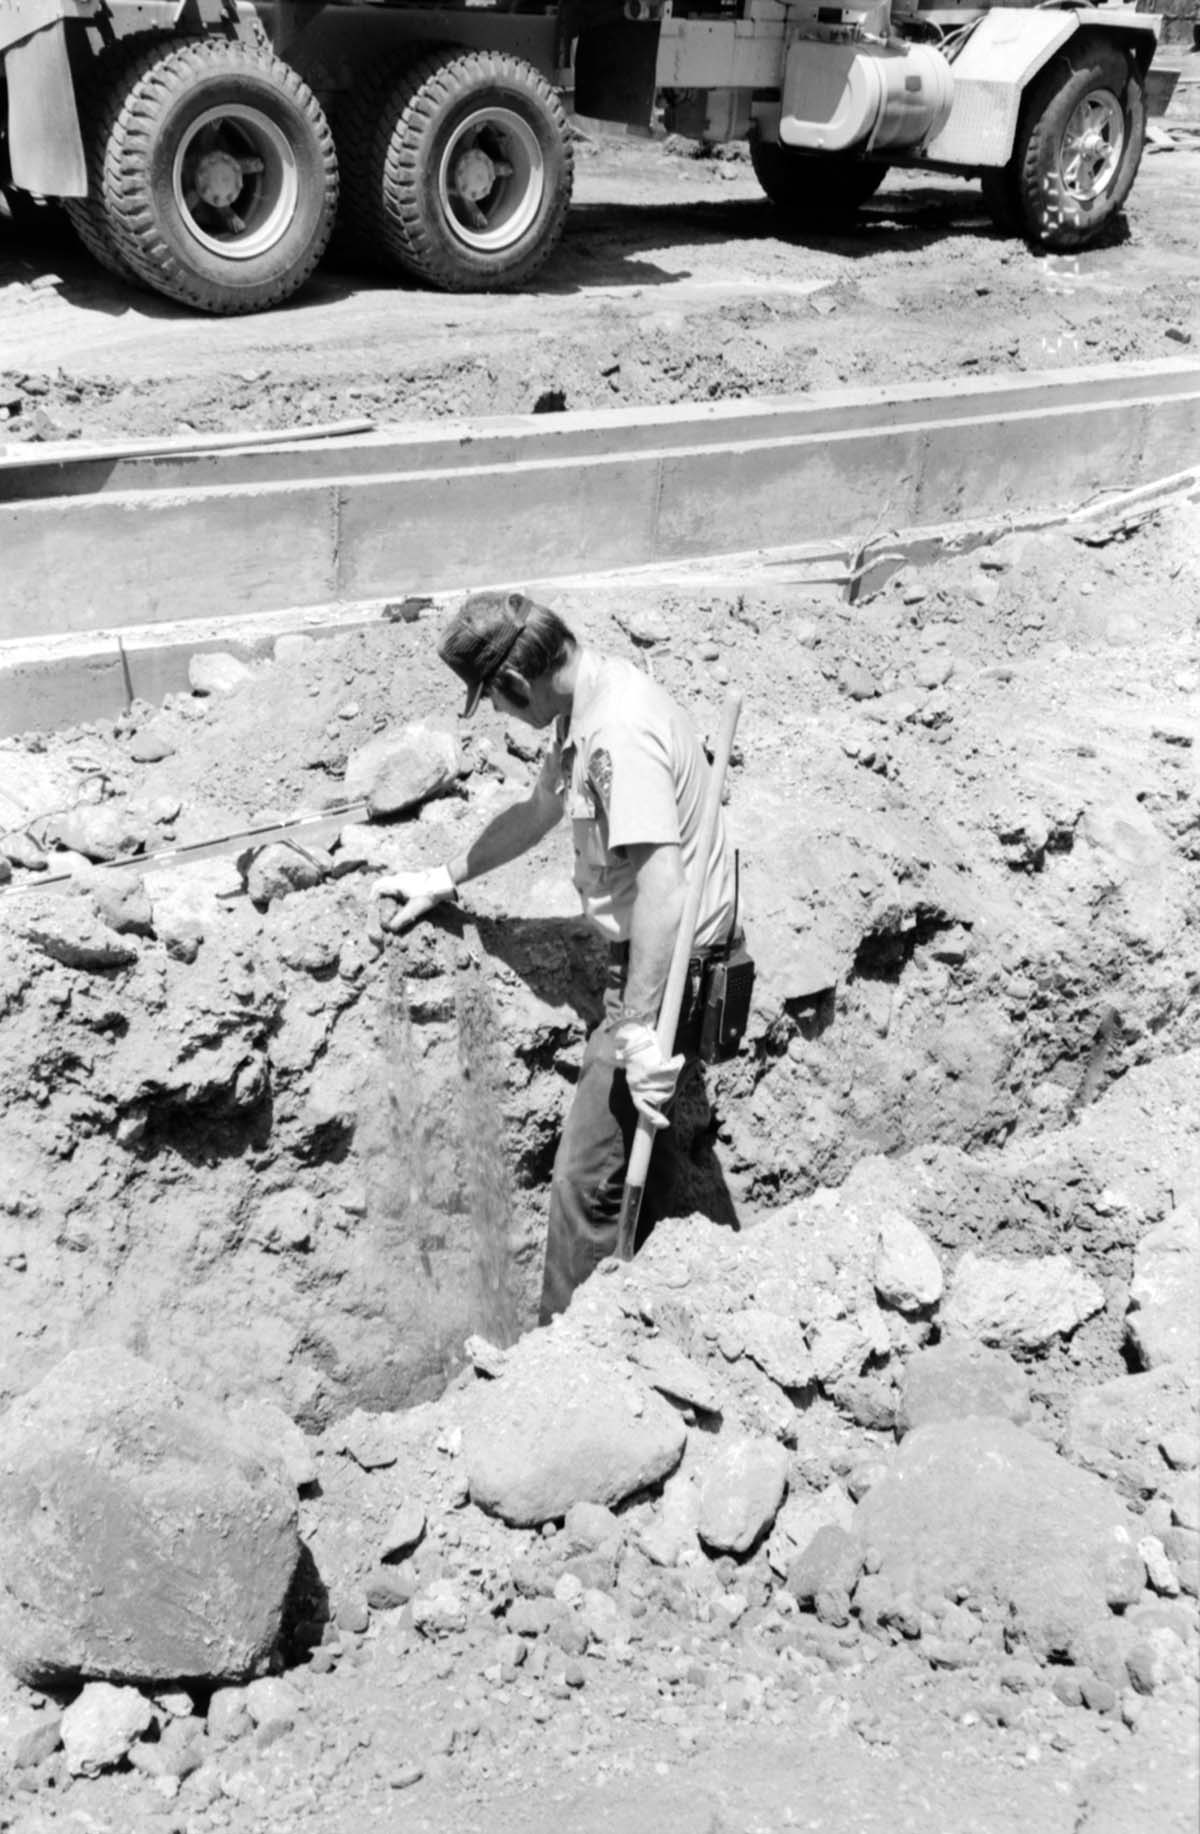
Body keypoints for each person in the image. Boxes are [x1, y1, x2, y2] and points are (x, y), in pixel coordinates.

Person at [373, 589, 738, 1322]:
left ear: (516, 681)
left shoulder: (620, 736)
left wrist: (636, 1029)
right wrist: (444, 876)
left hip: (667, 973)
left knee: (583, 1181)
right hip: (649, 960)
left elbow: (664, 888)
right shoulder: (586, 710)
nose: (503, 718)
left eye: (497, 702)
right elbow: (542, 811)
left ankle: (566, 1353)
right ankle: (673, 1305)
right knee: (649, 1162)